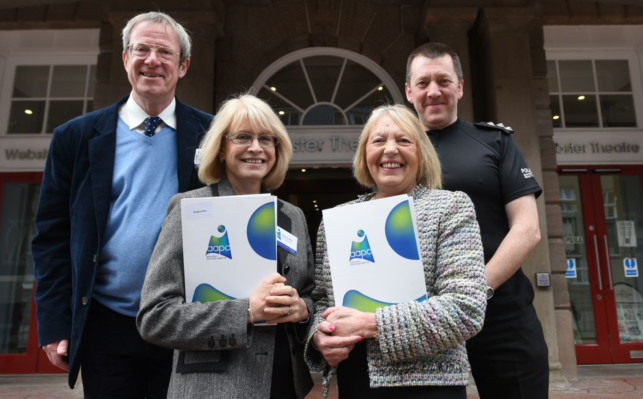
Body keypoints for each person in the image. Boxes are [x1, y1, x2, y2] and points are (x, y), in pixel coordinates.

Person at [31, 11, 213, 398]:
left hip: (184, 319)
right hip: (104, 323)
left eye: (164, 52)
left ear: (183, 66)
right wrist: (54, 324)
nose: (152, 60)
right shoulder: (75, 138)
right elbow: (51, 237)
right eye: (141, 49)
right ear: (125, 59)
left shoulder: (214, 135)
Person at [137, 94, 315, 399]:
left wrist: (301, 310)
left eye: (266, 139)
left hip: (284, 384)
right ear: (221, 148)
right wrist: (245, 311)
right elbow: (154, 317)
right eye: (243, 137)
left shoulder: (292, 216)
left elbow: (310, 295)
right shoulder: (188, 210)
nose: (256, 148)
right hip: (211, 387)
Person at [305, 104, 487, 399]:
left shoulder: (450, 208)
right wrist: (319, 335)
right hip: (356, 381)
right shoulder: (337, 221)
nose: (390, 150)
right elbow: (322, 300)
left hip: (430, 385)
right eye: (378, 141)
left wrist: (371, 323)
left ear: (421, 153)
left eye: (404, 140)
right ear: (365, 153)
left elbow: (466, 308)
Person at [405, 41, 549, 399]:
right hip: (424, 321)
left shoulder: (496, 142)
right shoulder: (393, 152)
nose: (434, 91)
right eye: (423, 83)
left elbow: (527, 229)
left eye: (443, 81)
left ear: (460, 86)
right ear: (409, 92)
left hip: (502, 314)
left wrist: (472, 293)